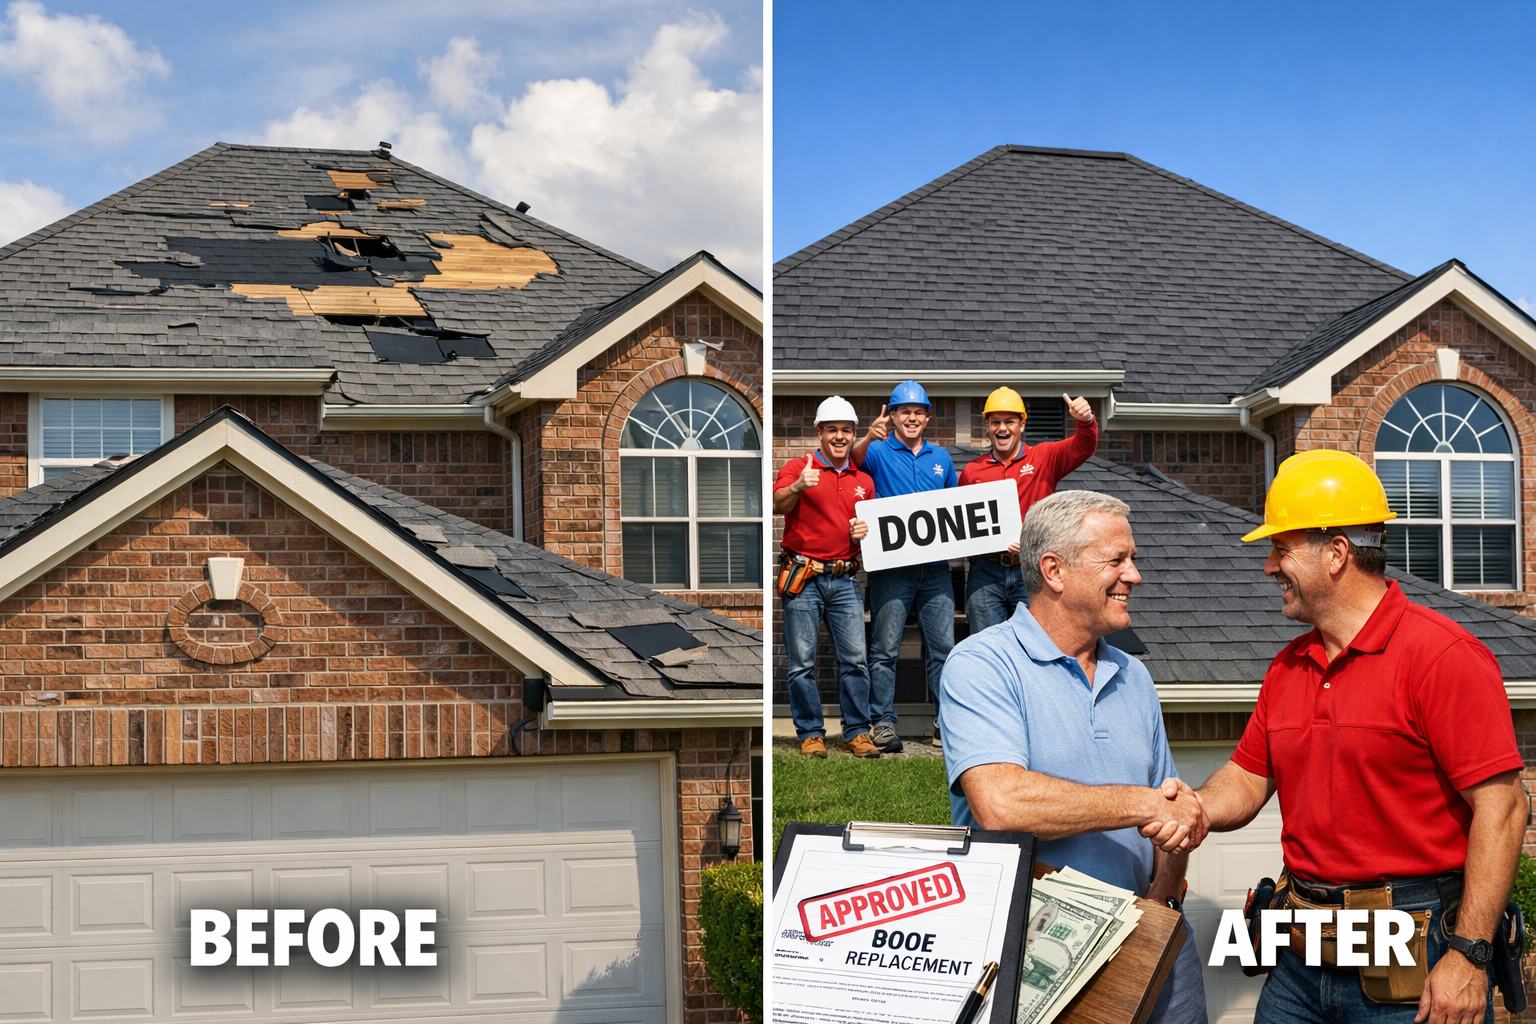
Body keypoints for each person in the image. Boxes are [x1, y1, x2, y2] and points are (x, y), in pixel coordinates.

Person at [1145, 450, 1527, 1024]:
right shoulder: (1288, 666)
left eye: (1281, 550)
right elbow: (1250, 776)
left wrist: (1470, 955)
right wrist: (1195, 809)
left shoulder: (1443, 657)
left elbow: (1503, 809)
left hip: (1414, 944)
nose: (1270, 567)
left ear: (1337, 553)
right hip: (1300, 951)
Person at [939, 489, 1210, 1024]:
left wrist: (1158, 906)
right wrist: (1144, 805)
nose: (1134, 576)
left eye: (1132, 560)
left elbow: (1172, 809)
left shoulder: (1134, 677)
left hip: (1154, 947)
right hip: (1038, 961)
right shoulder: (982, 665)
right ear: (1054, 571)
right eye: (1117, 561)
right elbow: (1003, 805)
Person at [851, 380, 958, 752]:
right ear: (893, 415)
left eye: (918, 412)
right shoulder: (878, 451)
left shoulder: (941, 459)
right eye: (904, 411)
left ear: (926, 417)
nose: (911, 418)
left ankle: (947, 725)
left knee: (944, 648)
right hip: (892, 568)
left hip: (935, 570)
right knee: (885, 649)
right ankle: (881, 722)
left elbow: (956, 512)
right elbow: (852, 461)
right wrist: (867, 436)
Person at [773, 396, 881, 759]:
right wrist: (798, 486)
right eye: (832, 429)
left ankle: (857, 731)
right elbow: (778, 505)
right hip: (804, 578)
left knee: (855, 660)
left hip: (846, 579)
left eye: (846, 430)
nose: (839, 436)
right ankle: (810, 733)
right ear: (819, 432)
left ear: (853, 434)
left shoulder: (863, 479)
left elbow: (868, 531)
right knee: (803, 662)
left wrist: (861, 534)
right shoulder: (797, 468)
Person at [959, 387, 1099, 632]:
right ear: (988, 427)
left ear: (1022, 425)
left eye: (1010, 421)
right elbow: (963, 526)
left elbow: (1083, 447)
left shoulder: (1043, 457)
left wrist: (1085, 420)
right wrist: (993, 543)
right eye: (996, 422)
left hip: (1032, 569)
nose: (1002, 428)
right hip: (985, 572)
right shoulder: (973, 470)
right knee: (985, 645)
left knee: (1036, 642)